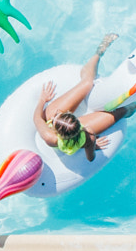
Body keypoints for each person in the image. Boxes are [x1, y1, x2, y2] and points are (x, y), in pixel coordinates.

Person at [32, 34, 124, 162]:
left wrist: (42, 100)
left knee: (89, 85)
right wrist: (91, 145)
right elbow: (90, 157)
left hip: (58, 124)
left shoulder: (49, 136)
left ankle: (98, 53)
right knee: (120, 112)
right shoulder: (88, 135)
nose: (58, 113)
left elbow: (37, 118)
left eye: (58, 116)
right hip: (78, 134)